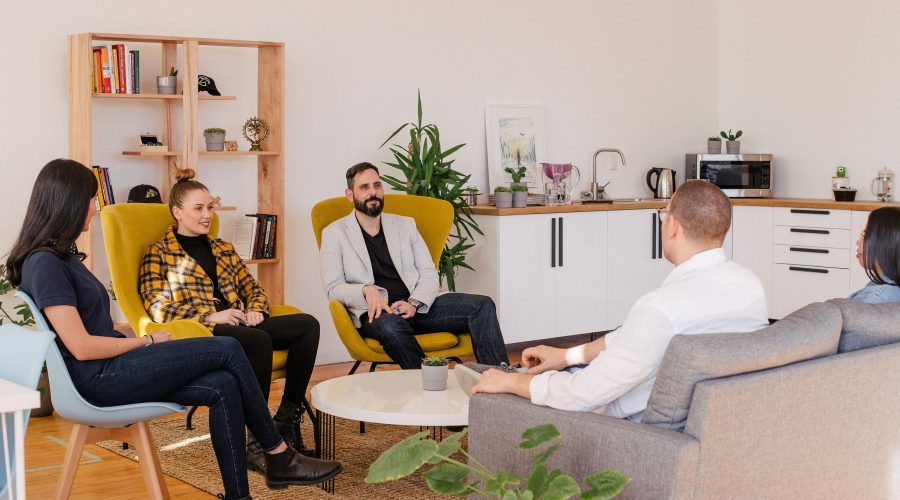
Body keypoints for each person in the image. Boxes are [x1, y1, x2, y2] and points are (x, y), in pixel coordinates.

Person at [6, 159, 341, 500]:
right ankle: (278, 453)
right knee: (229, 348)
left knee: (223, 384)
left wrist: (140, 344)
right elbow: (81, 348)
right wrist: (145, 341)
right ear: (68, 202)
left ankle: (240, 495)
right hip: (98, 379)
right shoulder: (45, 263)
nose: (95, 206)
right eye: (91, 198)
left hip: (112, 369)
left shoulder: (60, 258)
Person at [471, 180, 769, 421]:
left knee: (507, 383)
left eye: (664, 214)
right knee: (554, 371)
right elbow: (634, 341)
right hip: (709, 424)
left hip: (625, 431)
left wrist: (512, 383)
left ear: (674, 226)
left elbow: (582, 395)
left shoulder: (660, 309)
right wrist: (567, 356)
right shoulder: (750, 288)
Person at [139, 168, 321, 471]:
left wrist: (257, 310)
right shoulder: (159, 253)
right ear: (177, 212)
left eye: (210, 206)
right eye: (198, 208)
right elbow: (157, 308)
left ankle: (286, 420)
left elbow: (253, 288)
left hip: (239, 322)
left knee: (307, 325)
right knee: (258, 341)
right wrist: (211, 315)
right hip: (203, 330)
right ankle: (257, 439)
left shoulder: (223, 248)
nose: (207, 214)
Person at [318, 162, 510, 369]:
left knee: (482, 305)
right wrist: (366, 291)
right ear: (350, 194)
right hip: (376, 313)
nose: (373, 192)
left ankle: (499, 381)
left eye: (377, 185)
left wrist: (414, 303)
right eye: (364, 187)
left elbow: (428, 272)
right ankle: (430, 386)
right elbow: (333, 288)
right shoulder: (335, 233)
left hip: (417, 307)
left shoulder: (405, 225)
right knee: (392, 328)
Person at [849, 206, 900, 303]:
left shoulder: (876, 299)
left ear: (885, 243)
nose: (857, 242)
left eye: (864, 235)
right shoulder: (886, 286)